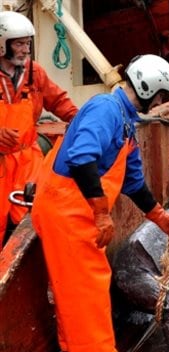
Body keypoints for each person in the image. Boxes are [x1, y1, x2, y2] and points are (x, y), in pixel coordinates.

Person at [31, 54, 169, 352]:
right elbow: (82, 157)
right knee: (89, 293)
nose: (161, 100)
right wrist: (101, 215)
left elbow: (133, 182)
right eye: (161, 94)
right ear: (150, 89)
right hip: (67, 213)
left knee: (74, 291)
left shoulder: (127, 123)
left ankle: (73, 348)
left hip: (77, 214)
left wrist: (160, 216)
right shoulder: (105, 109)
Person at [0, 11, 78, 246]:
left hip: (28, 160)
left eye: (28, 44)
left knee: (31, 221)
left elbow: (60, 102)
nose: (25, 50)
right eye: (19, 44)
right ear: (2, 45)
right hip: (1, 164)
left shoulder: (35, 73)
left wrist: (83, 122)